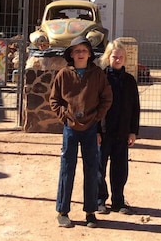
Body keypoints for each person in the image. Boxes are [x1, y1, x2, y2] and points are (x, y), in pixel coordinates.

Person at [49, 36, 113, 229]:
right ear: (71, 54)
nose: (80, 54)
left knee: (92, 169)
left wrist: (96, 118)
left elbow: (107, 99)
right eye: (76, 51)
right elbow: (54, 100)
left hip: (91, 128)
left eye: (84, 50)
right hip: (70, 128)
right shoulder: (63, 74)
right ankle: (63, 211)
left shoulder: (98, 75)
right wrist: (65, 117)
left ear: (89, 53)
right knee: (67, 168)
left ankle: (91, 212)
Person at [96, 39, 141, 215]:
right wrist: (96, 131)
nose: (118, 59)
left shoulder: (130, 81)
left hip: (122, 133)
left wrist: (133, 131)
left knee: (120, 168)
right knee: (99, 167)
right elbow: (94, 106)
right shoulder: (101, 78)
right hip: (104, 132)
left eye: (121, 57)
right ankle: (99, 200)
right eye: (115, 56)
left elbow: (135, 107)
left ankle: (118, 201)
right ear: (108, 57)